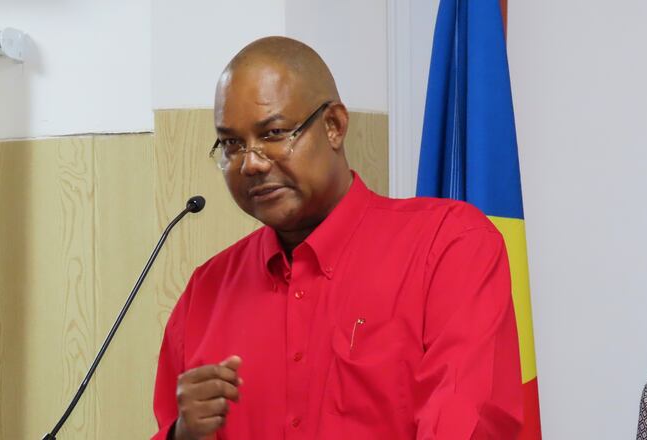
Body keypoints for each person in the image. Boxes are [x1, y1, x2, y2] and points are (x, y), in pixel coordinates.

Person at [152, 36, 523, 440]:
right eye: (231, 144)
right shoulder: (205, 293)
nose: (251, 164)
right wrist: (181, 435)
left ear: (334, 126)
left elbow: (464, 422)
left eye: (274, 132)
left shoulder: (448, 245)